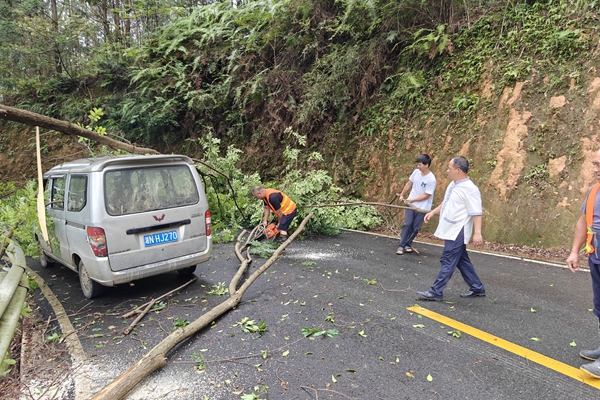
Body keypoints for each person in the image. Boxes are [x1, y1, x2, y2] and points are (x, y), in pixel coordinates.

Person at [416, 156, 485, 301]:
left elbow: (476, 212)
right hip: (451, 228)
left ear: (458, 170)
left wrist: (477, 233)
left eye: (450, 168)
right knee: (461, 260)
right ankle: (477, 287)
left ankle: (436, 292)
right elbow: (446, 203)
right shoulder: (453, 185)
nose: (447, 171)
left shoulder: (470, 189)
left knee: (448, 260)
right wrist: (433, 212)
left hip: (458, 230)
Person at [567, 149, 600, 378]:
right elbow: (583, 221)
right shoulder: (594, 190)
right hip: (596, 255)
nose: (594, 167)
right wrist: (574, 252)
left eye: (598, 163)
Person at [396, 154, 437, 255]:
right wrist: (402, 195)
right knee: (407, 224)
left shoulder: (431, 179)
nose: (418, 167)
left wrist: (412, 200)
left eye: (420, 165)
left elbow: (426, 196)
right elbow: (409, 183)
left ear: (426, 165)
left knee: (415, 228)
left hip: (422, 207)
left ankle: (408, 244)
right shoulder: (416, 172)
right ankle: (401, 245)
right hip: (411, 204)